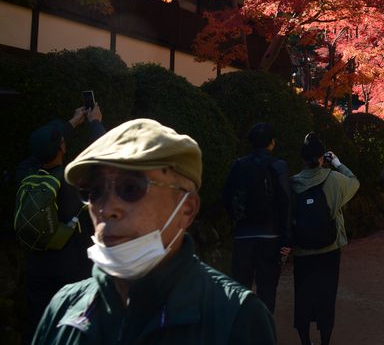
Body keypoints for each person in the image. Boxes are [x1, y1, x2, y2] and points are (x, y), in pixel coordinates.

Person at [33, 118, 276, 344]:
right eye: (94, 192)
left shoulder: (236, 316)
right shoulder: (63, 308)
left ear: (187, 209)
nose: (107, 209)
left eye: (130, 188)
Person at [16, 104, 105, 343]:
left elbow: (37, 153)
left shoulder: (24, 174)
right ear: (62, 148)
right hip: (71, 268)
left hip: (36, 265)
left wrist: (71, 122)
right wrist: (94, 122)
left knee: (38, 322)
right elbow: (104, 157)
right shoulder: (73, 181)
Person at [291, 132, 359, 345]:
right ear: (323, 157)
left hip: (302, 250)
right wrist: (338, 163)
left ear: (302, 158)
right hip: (330, 249)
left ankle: (305, 341)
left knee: (302, 296)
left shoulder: (292, 183)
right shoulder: (334, 179)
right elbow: (355, 182)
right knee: (326, 296)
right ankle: (325, 341)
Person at [222, 122, 291, 314]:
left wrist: (236, 218)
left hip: (243, 234)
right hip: (271, 236)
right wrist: (287, 237)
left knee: (241, 289)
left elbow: (227, 197)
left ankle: (241, 332)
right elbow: (286, 202)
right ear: (272, 142)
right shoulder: (279, 166)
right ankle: (264, 332)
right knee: (267, 290)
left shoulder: (238, 165)